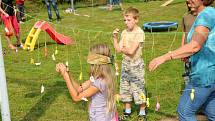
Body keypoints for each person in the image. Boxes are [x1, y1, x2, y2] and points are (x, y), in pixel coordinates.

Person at [149, 0, 215, 120]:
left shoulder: (206, 15)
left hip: (204, 76)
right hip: (211, 76)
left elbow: (195, 45)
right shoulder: (209, 13)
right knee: (211, 112)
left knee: (185, 112)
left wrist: (164, 57)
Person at [56, 43, 118, 121]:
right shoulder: (99, 77)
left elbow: (76, 97)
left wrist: (65, 76)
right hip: (106, 116)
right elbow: (79, 88)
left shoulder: (99, 82)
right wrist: (67, 72)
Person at [112, 7, 146, 121]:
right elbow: (117, 49)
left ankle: (142, 113)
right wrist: (115, 38)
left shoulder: (139, 33)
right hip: (125, 64)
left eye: (129, 20)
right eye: (124, 20)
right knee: (125, 88)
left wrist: (124, 48)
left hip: (136, 65)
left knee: (138, 88)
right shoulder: (124, 32)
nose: (126, 23)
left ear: (136, 19)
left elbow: (131, 51)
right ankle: (127, 112)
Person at [181, 0, 197, 86]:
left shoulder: (204, 16)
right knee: (187, 72)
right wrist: (182, 49)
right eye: (187, 3)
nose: (189, 5)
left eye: (191, 2)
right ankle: (188, 90)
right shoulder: (185, 16)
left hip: (200, 50)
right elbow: (184, 33)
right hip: (187, 50)